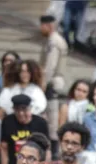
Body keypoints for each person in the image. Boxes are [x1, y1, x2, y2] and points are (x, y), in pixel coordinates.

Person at [0, 96, 50, 164]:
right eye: (17, 110)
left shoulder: (41, 123)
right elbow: (4, 150)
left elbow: (47, 150)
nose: (21, 114)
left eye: (24, 110)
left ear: (30, 108)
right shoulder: (8, 122)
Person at [39, 14, 69, 153]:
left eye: (42, 25)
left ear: (49, 25)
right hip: (55, 83)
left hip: (53, 84)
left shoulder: (54, 42)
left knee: (52, 118)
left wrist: (43, 83)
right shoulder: (53, 40)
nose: (40, 28)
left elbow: (50, 66)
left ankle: (55, 150)